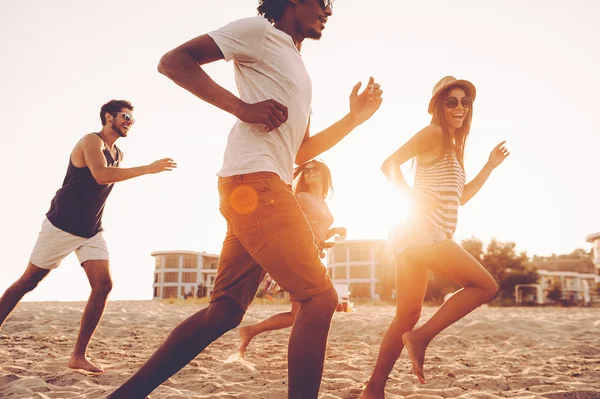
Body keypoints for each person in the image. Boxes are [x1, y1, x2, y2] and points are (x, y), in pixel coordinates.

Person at [107, 0, 383, 397]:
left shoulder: (298, 68)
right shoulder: (259, 32)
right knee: (321, 298)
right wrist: (241, 108)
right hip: (256, 184)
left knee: (225, 312)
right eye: (322, 1)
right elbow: (173, 61)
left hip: (258, 187)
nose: (330, 10)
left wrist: (353, 119)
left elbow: (298, 153)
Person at [0, 100, 176, 373]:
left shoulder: (118, 153)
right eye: (126, 116)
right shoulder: (90, 141)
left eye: (132, 119)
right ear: (109, 117)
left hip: (91, 230)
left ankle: (78, 356)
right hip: (61, 225)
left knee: (104, 284)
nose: (130, 122)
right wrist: (147, 168)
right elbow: (101, 175)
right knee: (28, 282)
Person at [359, 76, 509, 398]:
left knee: (406, 315)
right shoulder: (434, 133)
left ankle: (373, 390)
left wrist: (489, 166)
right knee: (485, 285)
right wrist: (411, 197)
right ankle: (421, 338)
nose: (459, 107)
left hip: (414, 235)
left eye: (464, 102)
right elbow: (389, 165)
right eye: (451, 101)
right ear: (438, 106)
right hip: (421, 231)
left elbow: (462, 197)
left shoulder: (452, 148)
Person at [238, 160, 347, 358]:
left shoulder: (322, 201)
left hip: (314, 253)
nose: (311, 173)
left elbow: (317, 229)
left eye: (315, 170)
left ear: (325, 174)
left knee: (299, 313)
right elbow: (289, 222)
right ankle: (257, 332)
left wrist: (332, 233)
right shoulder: (301, 197)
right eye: (307, 171)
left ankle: (252, 331)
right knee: (315, 304)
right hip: (301, 254)